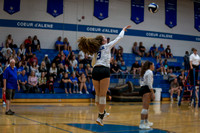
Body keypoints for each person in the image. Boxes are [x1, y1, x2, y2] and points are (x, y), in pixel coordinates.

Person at [78, 25, 131, 126]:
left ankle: (103, 112)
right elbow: (119, 38)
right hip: (104, 70)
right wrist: (123, 30)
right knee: (103, 95)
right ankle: (100, 116)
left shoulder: (95, 50)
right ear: (102, 41)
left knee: (98, 96)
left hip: (95, 70)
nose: (106, 39)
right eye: (104, 38)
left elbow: (93, 63)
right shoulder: (107, 46)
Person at [139, 61, 155, 129]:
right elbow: (149, 83)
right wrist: (152, 93)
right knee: (145, 107)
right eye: (153, 65)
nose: (154, 66)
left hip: (144, 88)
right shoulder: (149, 72)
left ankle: (146, 121)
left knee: (147, 107)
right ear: (150, 66)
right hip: (146, 88)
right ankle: (141, 124)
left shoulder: (145, 72)